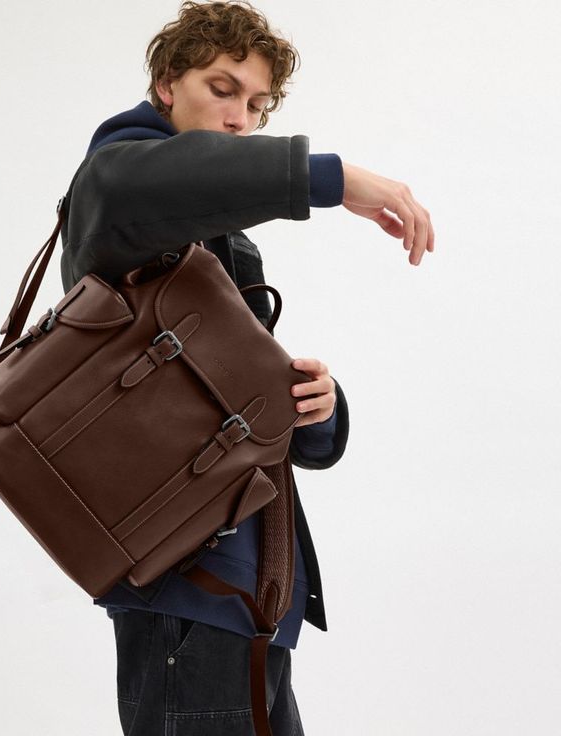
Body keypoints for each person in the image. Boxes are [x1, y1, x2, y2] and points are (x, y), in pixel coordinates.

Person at [58, 2, 434, 733]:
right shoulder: (119, 176)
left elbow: (231, 393)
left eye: (257, 104)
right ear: (167, 84)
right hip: (181, 582)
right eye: (222, 89)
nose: (239, 118)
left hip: (245, 587)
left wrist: (318, 408)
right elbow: (168, 179)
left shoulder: (210, 229)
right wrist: (337, 179)